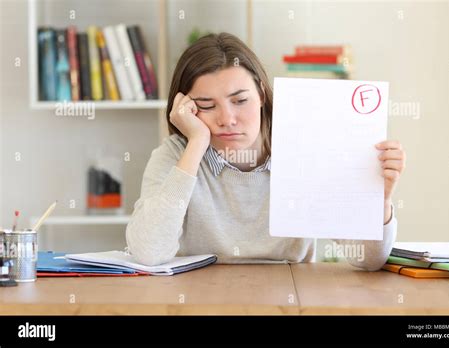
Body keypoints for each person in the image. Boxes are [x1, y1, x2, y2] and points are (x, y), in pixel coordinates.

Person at [125, 32, 406, 271]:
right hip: (200, 302)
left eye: (240, 100)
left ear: (261, 93)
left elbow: (370, 260)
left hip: (290, 301)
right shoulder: (175, 156)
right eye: (207, 105)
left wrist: (378, 201)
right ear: (186, 108)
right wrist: (197, 142)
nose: (227, 119)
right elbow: (149, 252)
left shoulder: (305, 146)